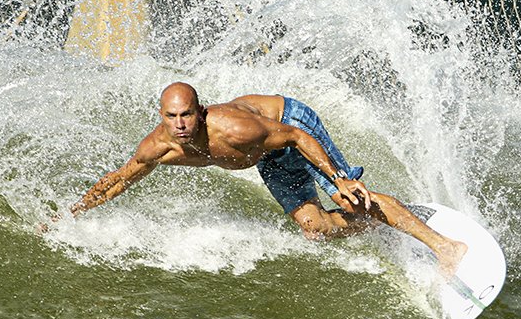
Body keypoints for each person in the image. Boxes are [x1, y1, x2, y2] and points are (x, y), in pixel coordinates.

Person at [71, 82, 467, 275]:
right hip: (269, 155)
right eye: (171, 117)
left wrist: (337, 179)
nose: (180, 124)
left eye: (187, 115)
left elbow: (296, 136)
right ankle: (389, 217)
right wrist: (74, 213)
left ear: (201, 110)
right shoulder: (159, 148)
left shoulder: (233, 129)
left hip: (289, 126)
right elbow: (119, 179)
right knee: (316, 228)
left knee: (347, 198)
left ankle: (445, 246)